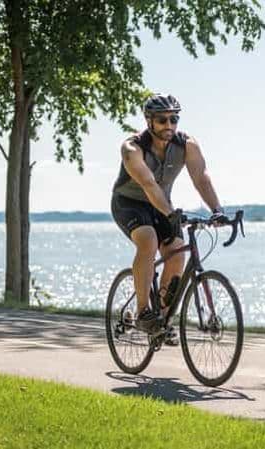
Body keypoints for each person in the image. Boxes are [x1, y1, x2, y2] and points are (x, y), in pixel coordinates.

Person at [111, 93, 226, 340]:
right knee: (148, 240)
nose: (169, 125)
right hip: (129, 202)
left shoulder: (187, 145)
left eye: (174, 119)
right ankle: (143, 313)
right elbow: (149, 185)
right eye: (162, 120)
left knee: (177, 252)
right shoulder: (132, 148)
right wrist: (172, 214)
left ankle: (162, 321)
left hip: (162, 205)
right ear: (149, 120)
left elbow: (201, 178)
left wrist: (217, 210)